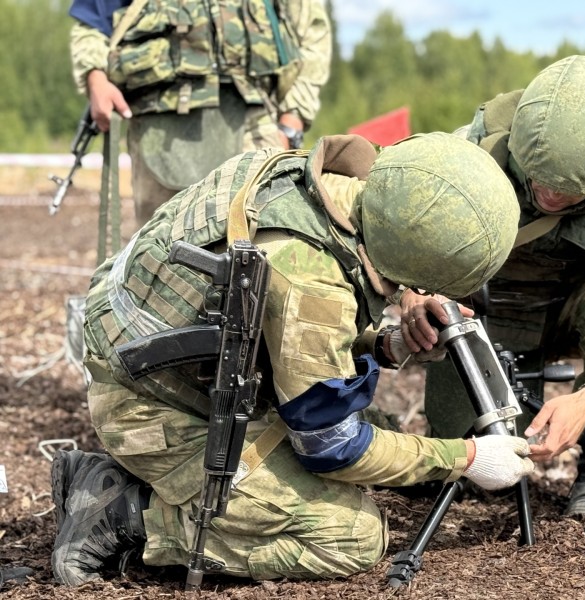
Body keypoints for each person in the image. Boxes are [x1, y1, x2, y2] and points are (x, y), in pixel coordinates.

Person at [50, 132, 536, 586]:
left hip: (169, 370)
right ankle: (126, 512)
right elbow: (331, 447)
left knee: (383, 427)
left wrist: (386, 343)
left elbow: (274, 324)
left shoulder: (312, 186)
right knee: (352, 536)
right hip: (153, 410)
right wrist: (466, 458)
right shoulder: (310, 281)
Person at [399, 55, 585, 524]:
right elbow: (390, 226)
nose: (551, 196)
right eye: (540, 178)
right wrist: (412, 292)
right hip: (475, 317)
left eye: (570, 192)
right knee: (467, 468)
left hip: (563, 317)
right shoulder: (469, 153)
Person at [68, 0, 332, 227]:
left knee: (260, 253)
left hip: (255, 130)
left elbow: (311, 32)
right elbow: (92, 22)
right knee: (160, 259)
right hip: (159, 134)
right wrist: (95, 78)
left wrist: (292, 121)